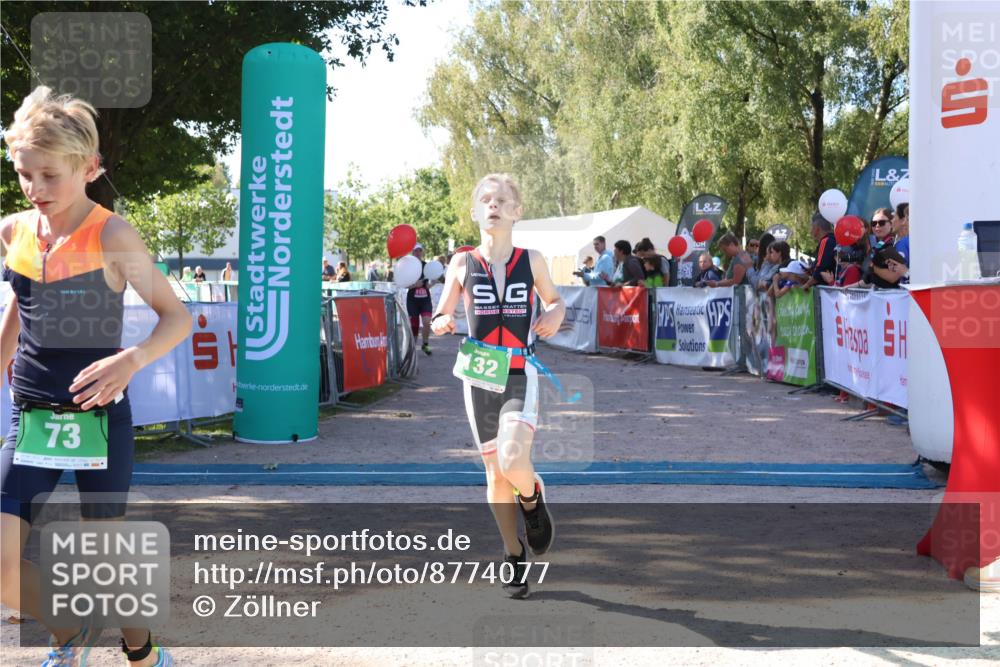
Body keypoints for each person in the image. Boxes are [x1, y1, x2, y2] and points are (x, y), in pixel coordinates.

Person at [1, 86, 190, 667]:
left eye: (49, 176)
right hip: (31, 417)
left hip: (98, 417)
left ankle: (142, 650)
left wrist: (130, 359)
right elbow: (21, 305)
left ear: (88, 167)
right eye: (24, 175)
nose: (35, 189)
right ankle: (69, 631)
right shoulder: (14, 231)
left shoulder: (113, 235)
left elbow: (178, 317)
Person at [431, 173, 563, 599]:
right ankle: (513, 552)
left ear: (517, 211)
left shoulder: (532, 260)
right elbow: (441, 312)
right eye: (486, 200)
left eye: (503, 200)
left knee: (512, 459)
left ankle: (532, 498)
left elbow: (555, 300)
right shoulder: (461, 263)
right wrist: (442, 321)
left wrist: (555, 314)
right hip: (479, 376)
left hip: (520, 371)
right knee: (495, 472)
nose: (493, 205)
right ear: (475, 212)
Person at [406, 244, 433, 355]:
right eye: (415, 251)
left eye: (419, 251)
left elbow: (428, 285)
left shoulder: (426, 266)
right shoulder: (408, 267)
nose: (418, 253)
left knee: (427, 322)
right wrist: (414, 285)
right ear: (412, 253)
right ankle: (413, 347)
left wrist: (433, 283)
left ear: (422, 252)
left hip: (425, 300)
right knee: (414, 326)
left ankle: (425, 344)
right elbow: (404, 284)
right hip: (412, 301)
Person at [800, 213, 838, 290]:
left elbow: (821, 269)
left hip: (827, 290)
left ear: (817, 228)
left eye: (811, 227)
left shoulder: (825, 241)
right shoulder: (833, 239)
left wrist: (806, 285)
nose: (810, 231)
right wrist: (811, 269)